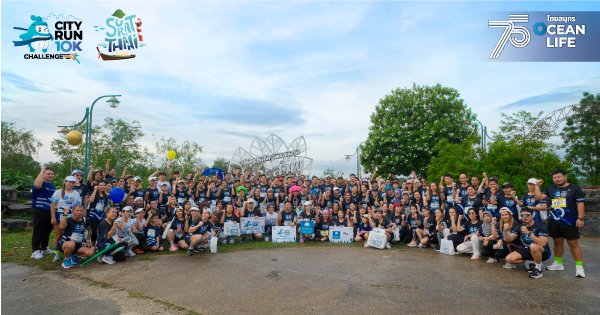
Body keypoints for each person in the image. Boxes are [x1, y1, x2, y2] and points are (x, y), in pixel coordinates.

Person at [535, 170, 586, 277]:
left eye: (559, 177)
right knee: (557, 242)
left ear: (565, 177)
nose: (557, 179)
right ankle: (558, 263)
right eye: (554, 177)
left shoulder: (574, 188)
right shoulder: (551, 189)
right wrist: (537, 186)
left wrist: (580, 218)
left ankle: (579, 267)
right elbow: (539, 197)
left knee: (573, 244)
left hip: (570, 220)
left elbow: (580, 203)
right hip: (554, 220)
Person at [505, 207, 552, 279]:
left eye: (527, 215)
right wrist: (505, 231)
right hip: (527, 249)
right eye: (522, 215)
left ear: (532, 216)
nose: (524, 217)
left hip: (542, 251)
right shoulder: (520, 226)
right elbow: (509, 239)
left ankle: (538, 269)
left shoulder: (540, 226)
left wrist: (528, 233)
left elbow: (543, 243)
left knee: (533, 246)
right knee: (509, 259)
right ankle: (531, 262)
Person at [50, 176, 82, 262]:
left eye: (73, 182)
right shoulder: (58, 192)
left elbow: (78, 205)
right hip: (60, 214)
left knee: (71, 235)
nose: (71, 184)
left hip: (71, 216)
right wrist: (53, 217)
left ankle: (70, 252)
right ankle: (56, 252)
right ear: (65, 182)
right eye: (69, 182)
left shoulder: (76, 193)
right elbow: (53, 205)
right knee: (58, 235)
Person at [57, 204, 94, 268]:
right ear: (72, 212)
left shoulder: (85, 220)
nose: (79, 213)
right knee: (71, 244)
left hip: (78, 245)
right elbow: (61, 226)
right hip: (66, 244)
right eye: (77, 211)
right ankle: (66, 260)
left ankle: (73, 255)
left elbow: (90, 230)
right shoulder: (68, 220)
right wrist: (65, 214)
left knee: (90, 253)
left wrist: (87, 241)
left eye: (81, 211)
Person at [31, 166, 56, 260]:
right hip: (39, 209)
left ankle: (44, 248)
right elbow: (37, 186)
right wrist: (42, 170)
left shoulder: (52, 185)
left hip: (49, 210)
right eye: (48, 173)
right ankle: (35, 250)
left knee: (47, 230)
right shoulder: (40, 182)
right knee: (39, 230)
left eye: (52, 174)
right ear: (43, 174)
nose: (50, 175)